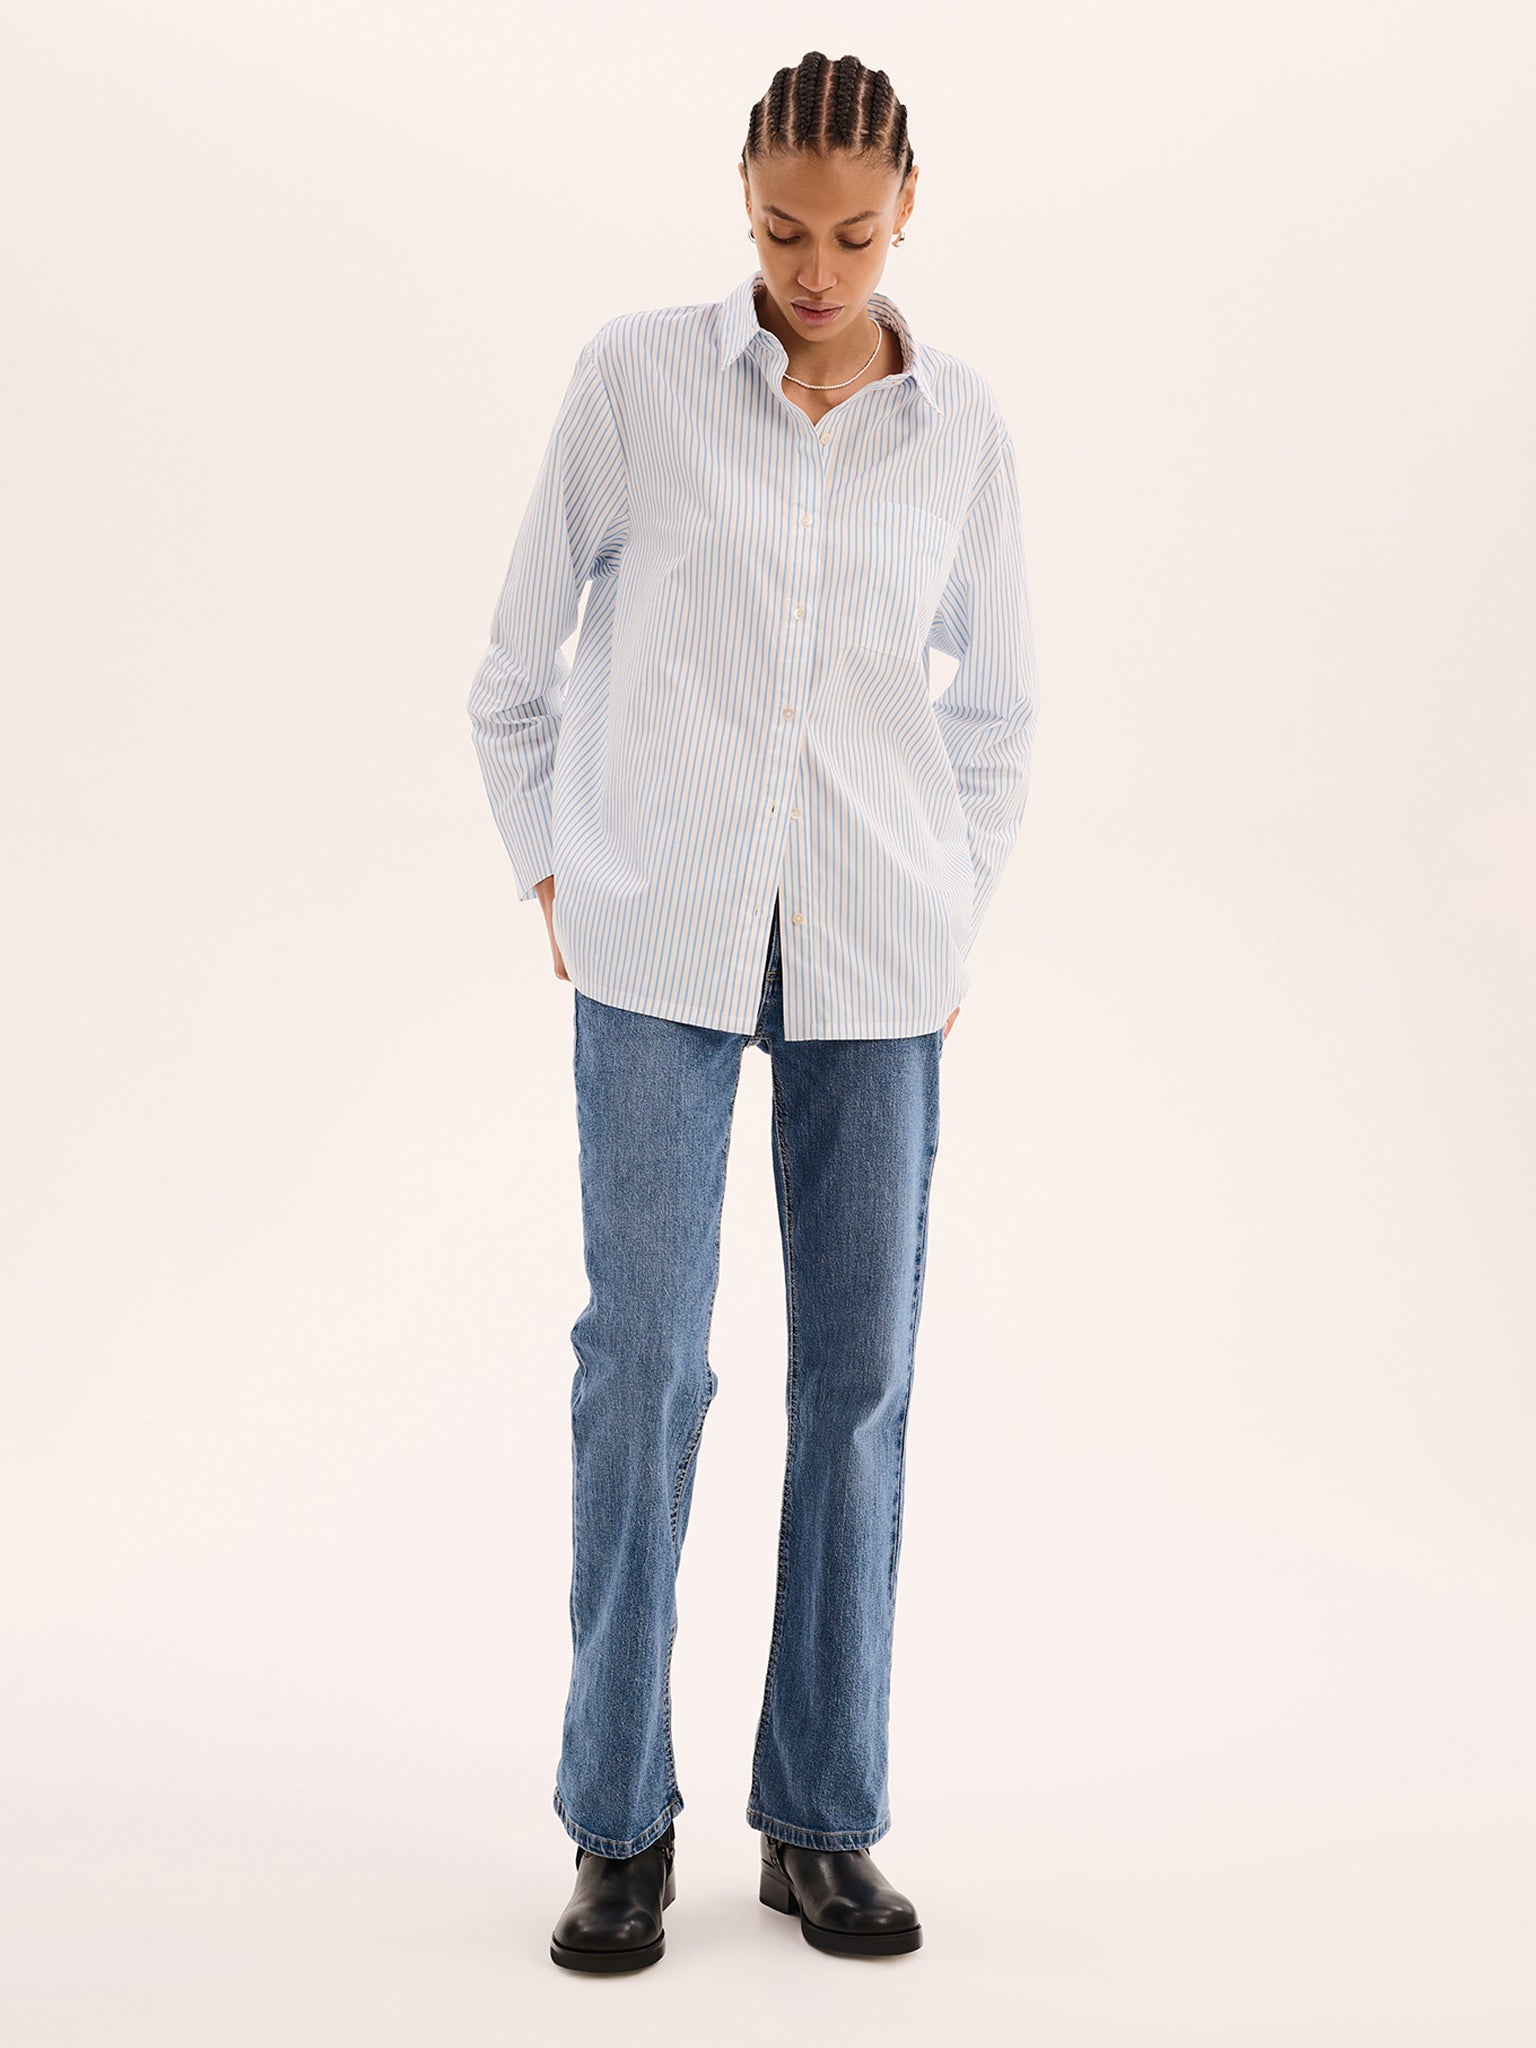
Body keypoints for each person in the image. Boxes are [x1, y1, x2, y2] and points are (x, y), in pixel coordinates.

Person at [466, 48, 1038, 1972]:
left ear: (907, 210)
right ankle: (616, 1821)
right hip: (656, 948)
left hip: (878, 955)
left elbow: (998, 714)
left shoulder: (961, 430)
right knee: (643, 1368)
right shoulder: (635, 382)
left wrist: (949, 910)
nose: (816, 268)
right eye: (785, 228)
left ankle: (822, 1820)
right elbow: (512, 670)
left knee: (857, 1387)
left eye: (854, 234)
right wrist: (557, 868)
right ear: (741, 195)